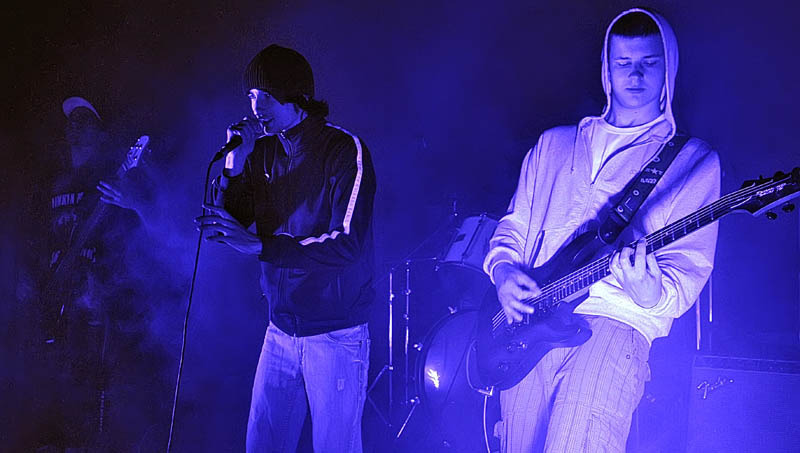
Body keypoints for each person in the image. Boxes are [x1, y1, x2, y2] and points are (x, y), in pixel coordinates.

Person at [482, 8, 720, 452]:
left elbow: (688, 267)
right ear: (606, 70)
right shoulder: (554, 144)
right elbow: (513, 227)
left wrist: (649, 290)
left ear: (668, 68)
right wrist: (502, 272)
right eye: (623, 62)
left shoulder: (692, 160)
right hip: (530, 324)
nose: (635, 75)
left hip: (616, 321)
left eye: (649, 62)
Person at [196, 44, 377, 452]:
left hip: (335, 333)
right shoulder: (262, 152)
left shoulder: (343, 150)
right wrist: (234, 166)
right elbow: (229, 224)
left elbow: (348, 243)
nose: (255, 106)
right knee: (262, 444)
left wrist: (263, 246)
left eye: (266, 95)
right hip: (280, 331)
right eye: (251, 95)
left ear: (295, 95)